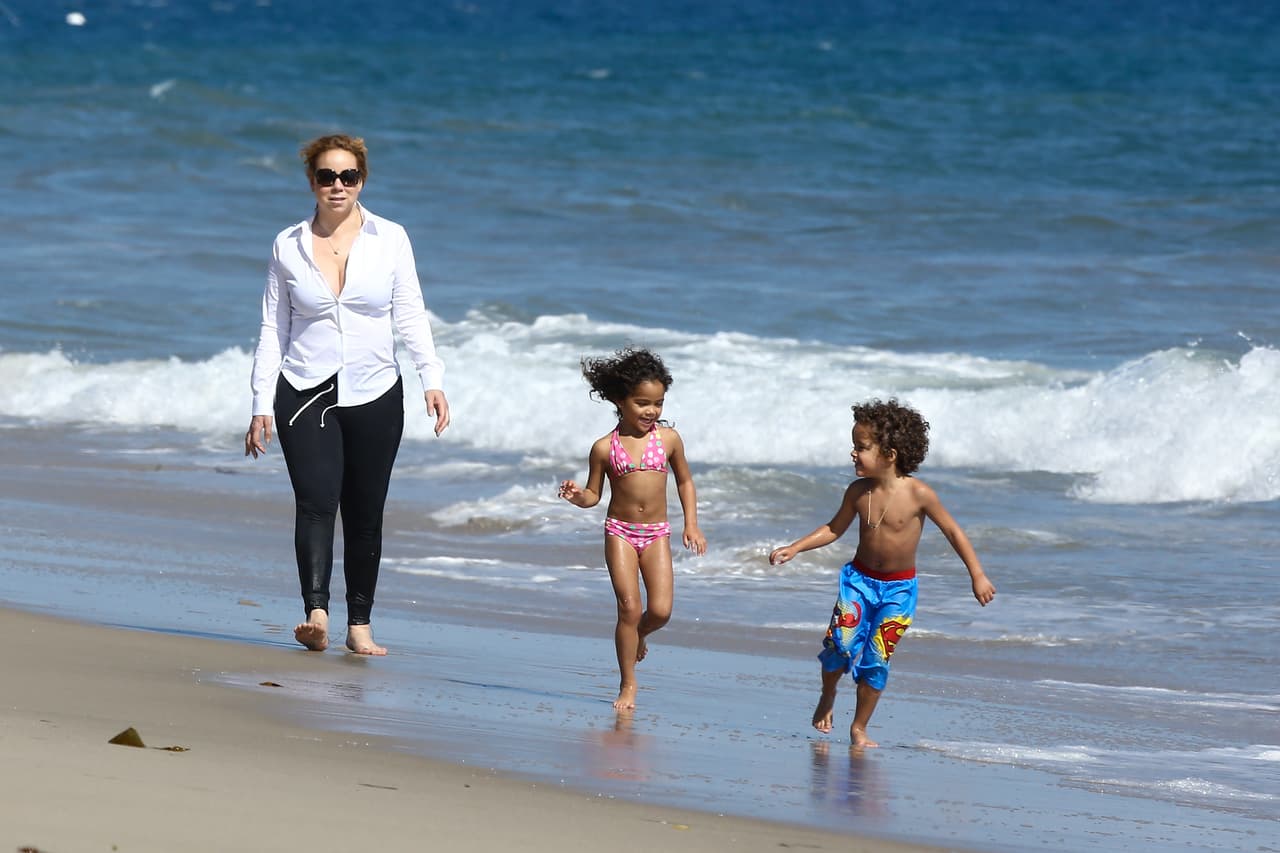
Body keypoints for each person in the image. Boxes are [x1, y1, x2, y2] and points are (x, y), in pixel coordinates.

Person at [244, 133, 450, 656]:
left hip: (377, 389)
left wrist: (432, 379)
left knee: (365, 511)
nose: (337, 185)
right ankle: (316, 613)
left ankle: (360, 625)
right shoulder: (287, 245)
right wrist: (259, 404)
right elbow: (273, 329)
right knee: (315, 503)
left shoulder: (391, 238)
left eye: (348, 176)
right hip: (305, 388)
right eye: (326, 176)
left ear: (362, 181)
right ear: (311, 182)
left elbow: (409, 313)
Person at [769, 399, 994, 748]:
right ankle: (828, 695)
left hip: (898, 591)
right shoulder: (858, 492)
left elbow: (953, 532)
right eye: (854, 446)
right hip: (858, 583)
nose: (853, 454)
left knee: (877, 657)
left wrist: (976, 575)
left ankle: (859, 728)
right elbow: (833, 528)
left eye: (861, 447)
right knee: (839, 645)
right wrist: (796, 547)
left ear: (889, 454)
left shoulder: (919, 494)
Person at [559, 347, 707, 709]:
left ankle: (638, 636)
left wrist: (692, 524)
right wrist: (577, 496)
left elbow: (685, 482)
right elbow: (594, 495)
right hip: (620, 532)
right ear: (620, 400)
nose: (651, 411)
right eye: (643, 403)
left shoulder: (668, 440)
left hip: (657, 533)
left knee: (659, 611)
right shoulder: (604, 448)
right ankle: (628, 684)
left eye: (657, 403)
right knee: (628, 607)